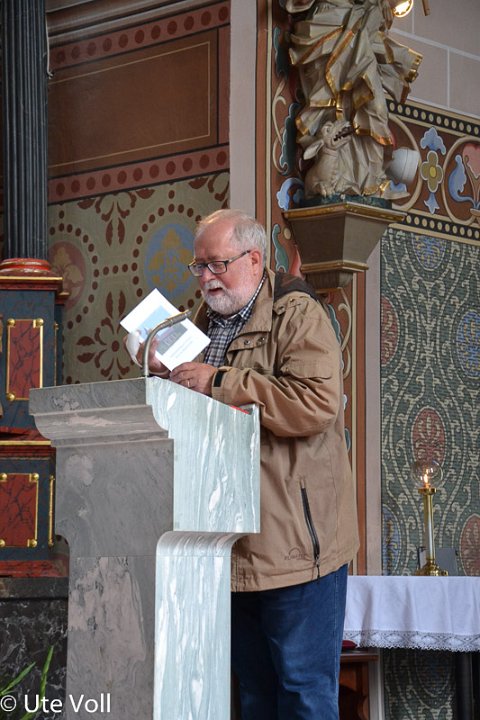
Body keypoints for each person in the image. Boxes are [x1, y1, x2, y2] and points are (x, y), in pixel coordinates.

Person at [139, 209, 359, 720]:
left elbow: (315, 404)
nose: (206, 278)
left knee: (303, 693)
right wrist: (159, 376)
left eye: (217, 264)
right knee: (254, 694)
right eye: (199, 267)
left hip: (295, 544)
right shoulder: (198, 325)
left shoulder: (295, 313)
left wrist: (218, 381)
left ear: (255, 259)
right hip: (226, 544)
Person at [286, 0, 422, 196]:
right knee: (334, 112)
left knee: (376, 108)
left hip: (361, 30)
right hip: (330, 23)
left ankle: (371, 182)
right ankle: (339, 178)